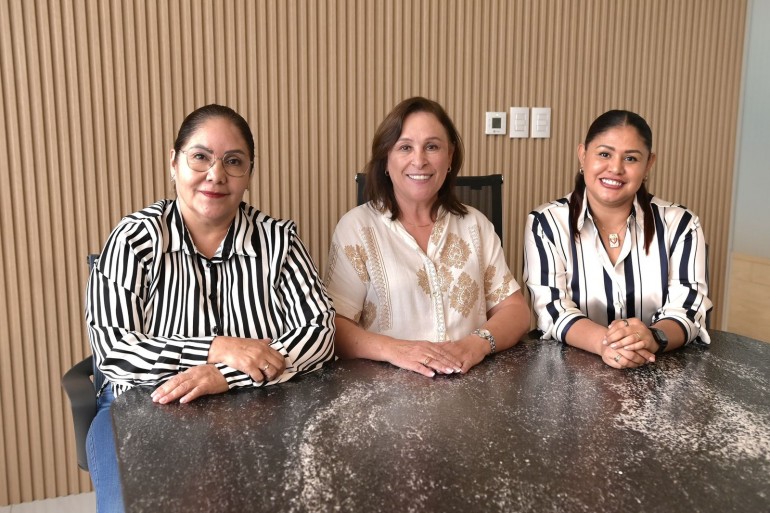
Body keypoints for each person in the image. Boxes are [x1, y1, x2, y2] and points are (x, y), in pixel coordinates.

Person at [85, 104, 335, 512]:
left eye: (233, 162)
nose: (216, 174)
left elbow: (319, 332)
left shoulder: (279, 242)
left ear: (249, 174)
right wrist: (216, 348)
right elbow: (114, 349)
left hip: (256, 409)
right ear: (174, 162)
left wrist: (226, 375)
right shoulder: (134, 239)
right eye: (200, 157)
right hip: (143, 410)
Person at [324, 96, 530, 376]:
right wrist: (397, 350)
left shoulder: (476, 225)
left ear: (450, 157)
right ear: (386, 160)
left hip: (470, 384)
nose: (419, 161)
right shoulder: (356, 228)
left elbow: (516, 311)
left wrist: (475, 345)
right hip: (386, 390)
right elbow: (334, 326)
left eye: (432, 146)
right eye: (405, 147)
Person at [523, 109, 712, 369]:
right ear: (583, 155)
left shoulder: (681, 224)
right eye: (604, 154)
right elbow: (553, 309)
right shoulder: (546, 223)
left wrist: (651, 338)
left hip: (660, 367)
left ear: (649, 164)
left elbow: (689, 308)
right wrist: (605, 344)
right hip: (573, 372)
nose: (615, 168)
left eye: (631, 158)